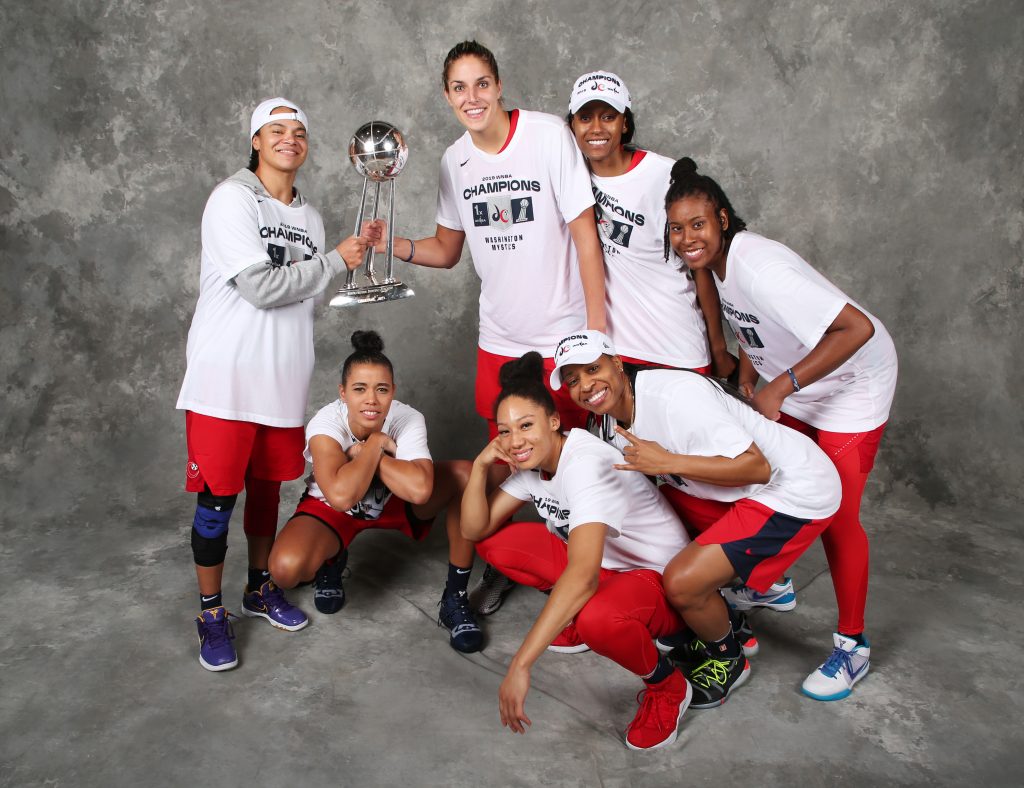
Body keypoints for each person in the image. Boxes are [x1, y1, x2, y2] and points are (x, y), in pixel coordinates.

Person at [662, 158, 898, 700]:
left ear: (723, 219)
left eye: (698, 224)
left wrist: (781, 386)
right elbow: (757, 328)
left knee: (836, 514)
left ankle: (853, 647)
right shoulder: (717, 267)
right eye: (677, 228)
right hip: (803, 375)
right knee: (763, 475)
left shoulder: (760, 267)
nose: (687, 237)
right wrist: (751, 372)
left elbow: (855, 328)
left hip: (852, 384)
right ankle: (769, 580)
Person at [176, 97, 373, 672]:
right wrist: (337, 260)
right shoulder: (231, 200)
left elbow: (302, 296)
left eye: (298, 131)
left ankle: (257, 589)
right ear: (256, 141)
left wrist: (357, 259)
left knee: (266, 494)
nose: (289, 139)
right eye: (275, 130)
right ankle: (212, 613)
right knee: (217, 501)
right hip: (225, 380)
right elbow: (261, 288)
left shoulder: (309, 219)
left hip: (280, 381)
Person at [552, 330, 842, 707]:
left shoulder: (675, 397)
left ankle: (728, 657)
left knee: (683, 581)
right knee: (656, 537)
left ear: (618, 363)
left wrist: (667, 462)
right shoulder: (608, 423)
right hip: (725, 491)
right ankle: (723, 615)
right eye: (573, 380)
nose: (586, 385)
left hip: (794, 488)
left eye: (593, 369)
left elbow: (756, 467)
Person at [461, 352, 695, 751]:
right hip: (610, 569)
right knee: (496, 543)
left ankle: (668, 687)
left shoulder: (585, 463)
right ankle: (576, 612)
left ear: (554, 422)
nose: (515, 441)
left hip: (662, 586)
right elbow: (474, 528)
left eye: (526, 425)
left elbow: (583, 574)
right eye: (505, 431)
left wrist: (520, 664)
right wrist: (482, 466)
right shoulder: (533, 464)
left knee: (597, 619)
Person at [266, 331, 482, 653]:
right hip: (335, 509)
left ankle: (455, 597)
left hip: (394, 502)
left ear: (393, 392)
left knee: (466, 474)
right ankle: (331, 559)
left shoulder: (407, 417)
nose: (371, 400)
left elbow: (420, 490)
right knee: (285, 570)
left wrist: (366, 452)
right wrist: (379, 444)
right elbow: (340, 496)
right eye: (359, 389)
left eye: (381, 389)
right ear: (343, 393)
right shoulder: (326, 423)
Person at [565, 71, 733, 376]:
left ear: (625, 123)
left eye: (608, 116)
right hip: (618, 352)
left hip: (676, 347)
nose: (596, 128)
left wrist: (719, 348)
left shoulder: (663, 177)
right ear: (573, 125)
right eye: (585, 118)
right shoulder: (571, 175)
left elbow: (700, 268)